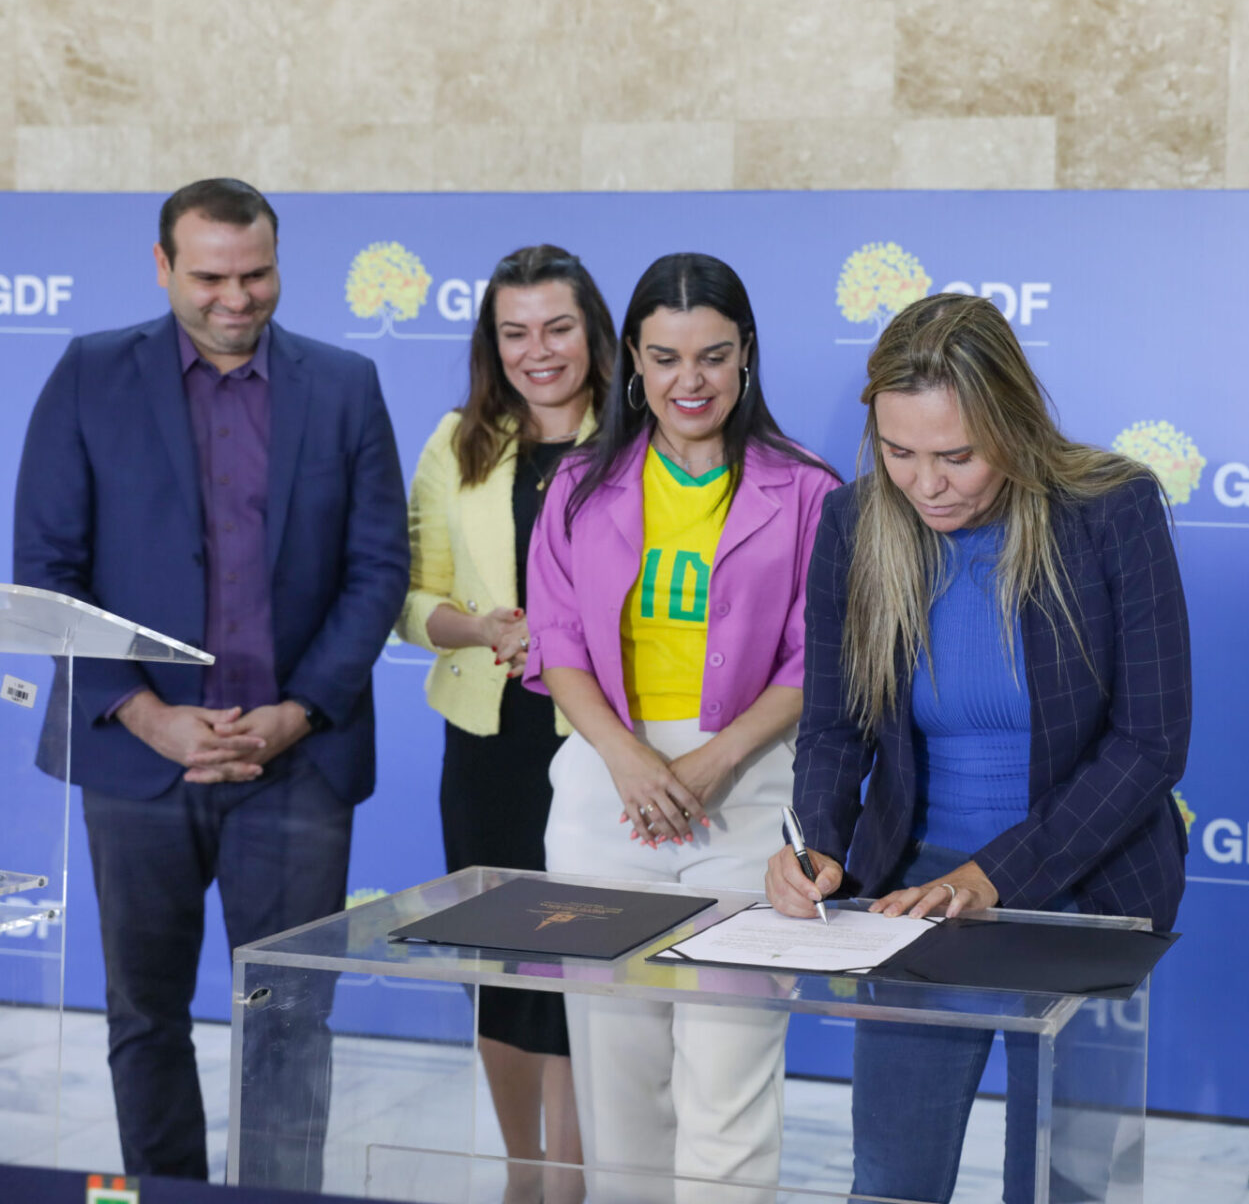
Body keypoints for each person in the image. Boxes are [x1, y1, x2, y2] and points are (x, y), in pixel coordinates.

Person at [11, 178, 409, 1186]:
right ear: (162, 266)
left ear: (280, 261)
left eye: (257, 273)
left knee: (288, 1018)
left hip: (298, 761)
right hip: (136, 759)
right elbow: (48, 570)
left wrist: (294, 712)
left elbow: (377, 570)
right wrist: (147, 716)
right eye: (210, 277)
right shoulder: (90, 373)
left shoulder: (346, 384)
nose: (237, 298)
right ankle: (168, 1194)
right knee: (144, 1012)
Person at [763, 293, 1192, 1204]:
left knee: (1062, 1185)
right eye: (900, 453)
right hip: (911, 901)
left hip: (1086, 894)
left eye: (958, 455)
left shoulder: (1111, 510)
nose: (927, 485)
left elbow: (1150, 744)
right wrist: (816, 848)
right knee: (892, 1179)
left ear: (1015, 422)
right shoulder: (853, 524)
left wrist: (995, 877)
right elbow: (836, 725)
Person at [522, 252, 839, 1201]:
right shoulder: (579, 484)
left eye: (712, 357)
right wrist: (627, 759)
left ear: (746, 358)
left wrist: (713, 760)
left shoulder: (810, 491)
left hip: (748, 796)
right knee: (618, 1094)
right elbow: (558, 643)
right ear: (631, 358)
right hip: (603, 796)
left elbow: (816, 657)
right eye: (664, 358)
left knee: (729, 1089)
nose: (687, 383)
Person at [397, 245, 617, 1204]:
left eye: (558, 328)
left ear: (592, 332)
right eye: (516, 332)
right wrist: (479, 627)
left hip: (601, 742)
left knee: (579, 965)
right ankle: (522, 1174)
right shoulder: (459, 441)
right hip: (489, 742)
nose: (540, 351)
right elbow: (414, 600)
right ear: (493, 342)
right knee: (500, 966)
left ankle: (567, 1180)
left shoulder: (640, 437)